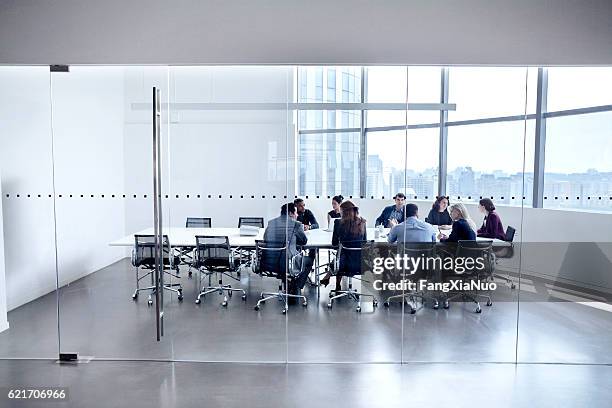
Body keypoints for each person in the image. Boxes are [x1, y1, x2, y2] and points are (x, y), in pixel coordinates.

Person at [263, 203, 314, 296]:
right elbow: (304, 241)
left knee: (284, 256)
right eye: (296, 213)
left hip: (270, 262)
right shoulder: (296, 224)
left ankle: (288, 283)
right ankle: (296, 286)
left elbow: (265, 239)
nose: (297, 215)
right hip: (288, 262)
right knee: (309, 261)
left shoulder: (271, 223)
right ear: (291, 213)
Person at [320, 200, 367, 292]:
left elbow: (334, 243)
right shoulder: (362, 222)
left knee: (341, 255)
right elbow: (364, 242)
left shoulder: (338, 223)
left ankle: (336, 283)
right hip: (360, 262)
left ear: (343, 212)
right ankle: (330, 276)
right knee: (343, 254)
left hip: (344, 262)